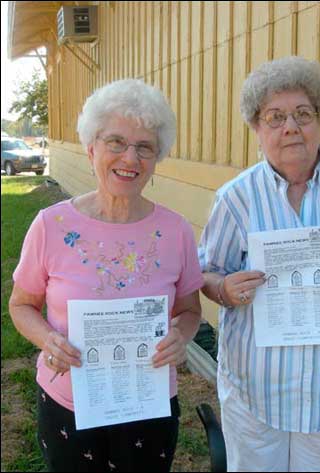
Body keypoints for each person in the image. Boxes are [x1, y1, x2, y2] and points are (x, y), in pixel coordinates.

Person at [198, 56, 320, 472]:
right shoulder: (235, 197)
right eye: (275, 117)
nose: (290, 127)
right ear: (256, 128)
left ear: (319, 119)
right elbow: (207, 271)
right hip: (256, 392)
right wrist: (225, 289)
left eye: (303, 114)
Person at [9, 79, 203, 472]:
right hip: (69, 403)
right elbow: (21, 304)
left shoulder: (177, 230)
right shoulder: (51, 225)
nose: (129, 158)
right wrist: (48, 339)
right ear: (91, 147)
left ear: (156, 156)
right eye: (116, 142)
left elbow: (190, 309)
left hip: (148, 404)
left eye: (144, 147)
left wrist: (180, 336)